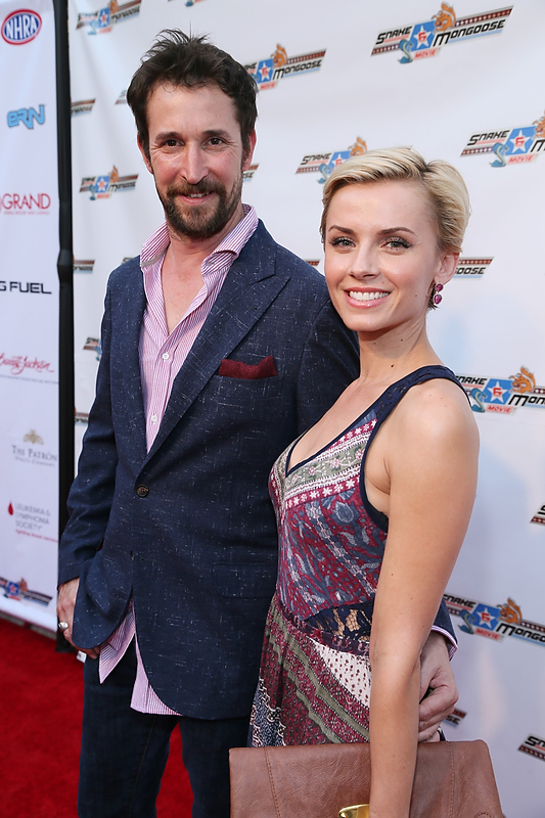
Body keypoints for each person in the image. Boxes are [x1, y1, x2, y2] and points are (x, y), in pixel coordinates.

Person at [56, 31, 458, 818]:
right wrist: (74, 570)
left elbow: (356, 468)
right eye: (171, 142)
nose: (194, 166)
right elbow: (106, 443)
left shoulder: (308, 301)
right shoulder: (120, 286)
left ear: (249, 147)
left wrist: (433, 632)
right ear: (143, 150)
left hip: (233, 643)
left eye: (215, 140)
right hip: (115, 620)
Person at [249, 148, 479, 818]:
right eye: (342, 241)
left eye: (395, 243)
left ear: (443, 263)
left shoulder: (431, 417)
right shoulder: (358, 384)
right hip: (286, 695)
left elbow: (397, 654)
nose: (362, 266)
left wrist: (384, 810)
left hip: (357, 729)